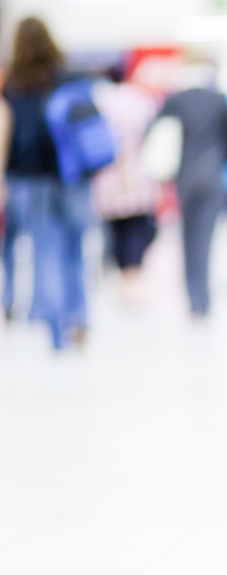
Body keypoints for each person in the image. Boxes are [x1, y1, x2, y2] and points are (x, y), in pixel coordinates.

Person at [2, 17, 92, 348]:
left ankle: (56, 331)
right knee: (75, 251)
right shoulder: (68, 77)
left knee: (45, 252)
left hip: (29, 180)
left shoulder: (13, 84)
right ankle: (78, 319)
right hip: (73, 178)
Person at [157, 61, 227, 317]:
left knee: (187, 237)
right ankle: (202, 298)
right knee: (205, 238)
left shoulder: (175, 100)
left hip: (184, 177)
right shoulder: (218, 100)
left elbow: (156, 135)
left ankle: (193, 295)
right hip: (212, 176)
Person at [91, 65, 159, 305]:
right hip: (137, 172)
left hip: (107, 176)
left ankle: (121, 280)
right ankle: (132, 281)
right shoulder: (140, 100)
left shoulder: (99, 101)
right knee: (136, 228)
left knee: (115, 229)